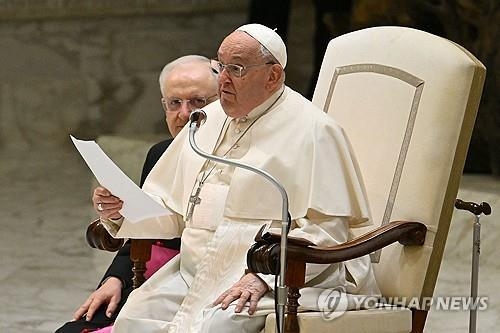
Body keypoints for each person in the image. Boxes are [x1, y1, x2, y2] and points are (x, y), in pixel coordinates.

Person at [93, 23, 380, 332]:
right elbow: (173, 210)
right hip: (195, 271)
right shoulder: (208, 119)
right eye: (222, 66)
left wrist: (262, 276)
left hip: (275, 275)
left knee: (218, 325)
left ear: (273, 76)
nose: (224, 79)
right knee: (136, 315)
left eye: (237, 68)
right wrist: (124, 209)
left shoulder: (315, 131)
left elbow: (328, 231)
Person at [55, 55, 218, 333]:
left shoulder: (239, 158)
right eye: (174, 103)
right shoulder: (159, 154)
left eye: (198, 102)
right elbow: (143, 230)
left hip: (202, 282)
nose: (184, 113)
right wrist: (114, 278)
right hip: (145, 273)